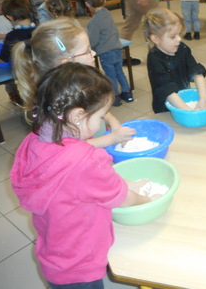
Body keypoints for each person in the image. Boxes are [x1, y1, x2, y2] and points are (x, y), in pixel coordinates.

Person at [10, 62, 155, 289]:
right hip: (81, 264)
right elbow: (122, 197)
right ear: (78, 115)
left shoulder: (36, 139)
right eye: (99, 116)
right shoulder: (84, 162)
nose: (101, 122)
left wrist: (130, 182)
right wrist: (149, 199)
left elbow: (92, 179)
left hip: (56, 254)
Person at [12, 17, 135, 148]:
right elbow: (68, 148)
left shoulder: (81, 81)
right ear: (67, 64)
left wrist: (113, 121)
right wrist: (111, 139)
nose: (94, 53)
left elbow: (97, 106)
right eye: (87, 51)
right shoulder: (54, 105)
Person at [144, 7, 206, 113]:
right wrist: (190, 112)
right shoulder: (154, 59)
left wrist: (203, 99)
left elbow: (196, 72)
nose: (179, 39)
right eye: (173, 36)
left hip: (183, 99)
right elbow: (167, 91)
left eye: (179, 34)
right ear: (156, 39)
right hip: (166, 108)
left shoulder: (181, 48)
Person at [82, 0, 134, 107]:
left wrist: (90, 48)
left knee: (110, 76)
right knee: (119, 72)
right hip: (117, 49)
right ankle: (127, 93)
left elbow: (93, 40)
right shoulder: (108, 13)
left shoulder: (93, 22)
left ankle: (115, 97)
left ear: (87, 4)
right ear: (105, 0)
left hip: (106, 53)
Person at [0, 0, 35, 106]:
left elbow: (2, 60)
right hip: (41, 72)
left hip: (24, 75)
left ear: (9, 17)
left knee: (31, 99)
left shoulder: (12, 36)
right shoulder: (40, 29)